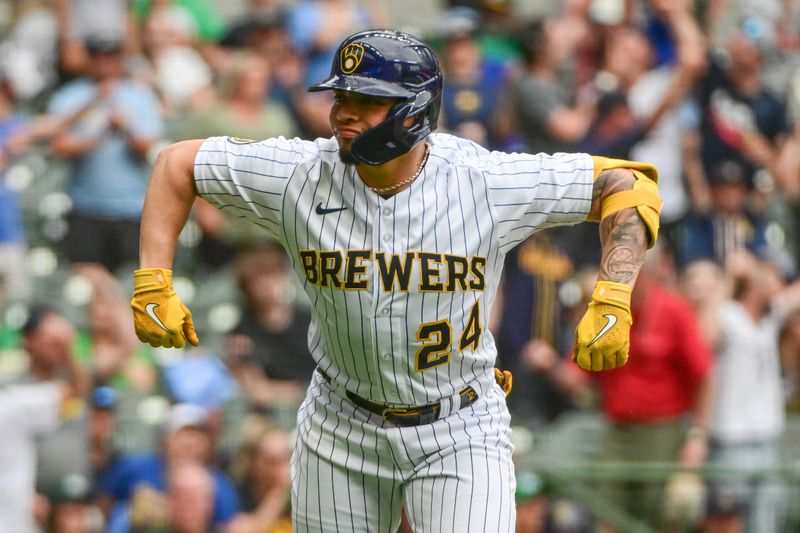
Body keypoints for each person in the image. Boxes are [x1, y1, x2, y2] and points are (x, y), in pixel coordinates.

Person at [129, 29, 662, 532]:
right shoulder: (299, 173)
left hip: (459, 424)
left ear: (414, 111)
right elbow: (178, 164)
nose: (343, 115)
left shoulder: (484, 182)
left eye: (366, 102)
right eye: (341, 99)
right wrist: (154, 278)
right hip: (340, 422)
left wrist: (613, 293)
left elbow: (628, 184)